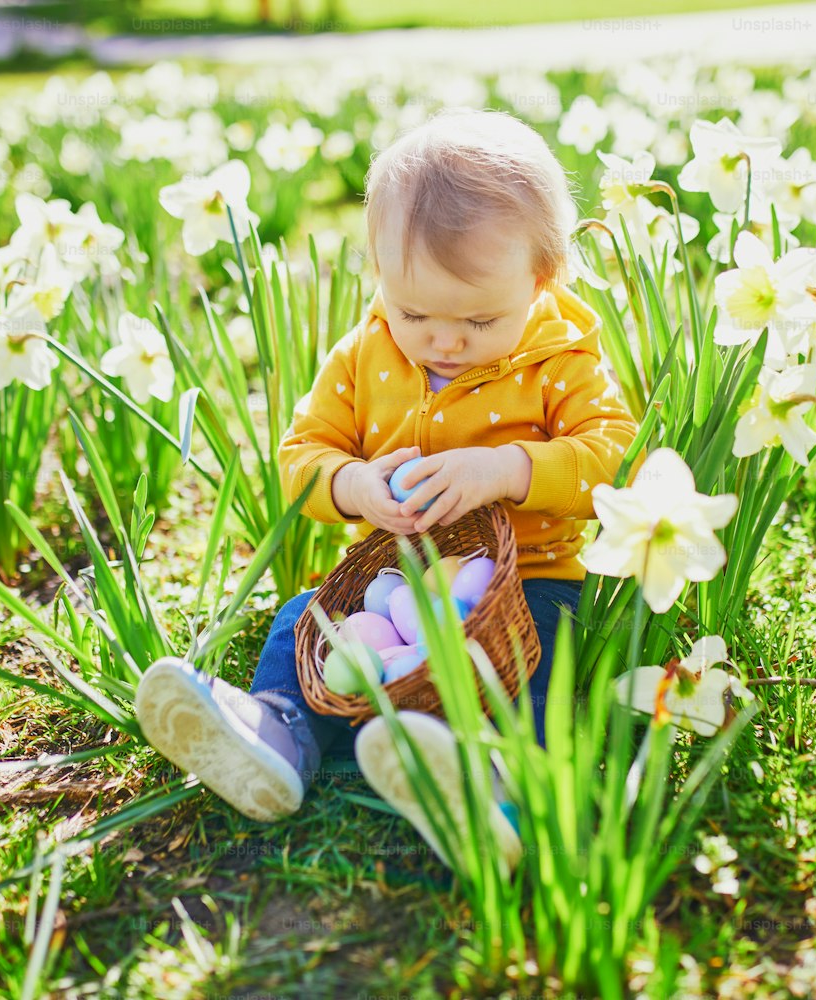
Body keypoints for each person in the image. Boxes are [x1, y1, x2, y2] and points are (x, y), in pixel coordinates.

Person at [136, 107, 639, 876]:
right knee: (303, 623)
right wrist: (352, 483)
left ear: (543, 278)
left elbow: (614, 459)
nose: (443, 340)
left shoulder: (561, 357)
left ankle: (496, 781)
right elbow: (300, 456)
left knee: (538, 662)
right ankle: (277, 738)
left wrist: (508, 469)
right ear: (378, 273)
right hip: (385, 586)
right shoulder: (364, 353)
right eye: (414, 312)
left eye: (478, 318)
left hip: (528, 583)